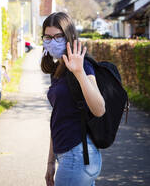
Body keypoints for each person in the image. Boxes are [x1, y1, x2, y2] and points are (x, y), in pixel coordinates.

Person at [40, 12, 105, 186]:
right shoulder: (58, 70)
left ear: (69, 37)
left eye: (58, 36)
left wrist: (79, 72)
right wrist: (50, 162)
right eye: (48, 36)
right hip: (66, 155)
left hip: (78, 154)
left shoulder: (83, 65)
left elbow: (99, 109)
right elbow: (58, 118)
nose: (52, 41)